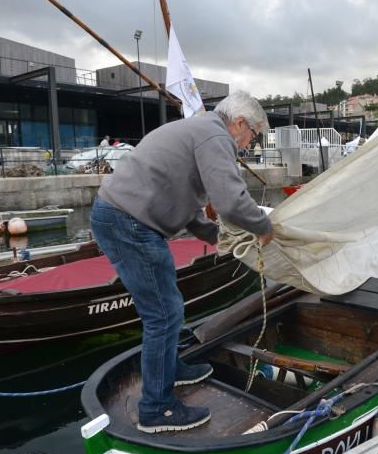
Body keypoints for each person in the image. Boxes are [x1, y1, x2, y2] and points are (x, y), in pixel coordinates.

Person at [90, 91, 274, 433]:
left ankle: (169, 369)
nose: (250, 144)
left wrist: (216, 238)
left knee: (167, 304)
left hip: (119, 216)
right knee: (163, 313)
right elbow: (231, 201)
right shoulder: (217, 137)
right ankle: (157, 410)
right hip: (130, 222)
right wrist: (264, 227)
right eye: (254, 135)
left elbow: (187, 202)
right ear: (240, 124)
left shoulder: (200, 130)